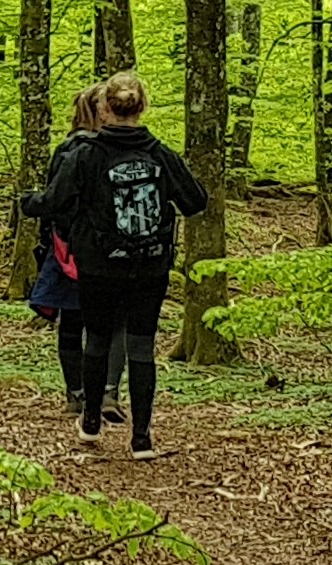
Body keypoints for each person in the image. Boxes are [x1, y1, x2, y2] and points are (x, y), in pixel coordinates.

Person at [37, 72, 210, 462]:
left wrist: (26, 202)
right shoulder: (160, 154)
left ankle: (91, 421)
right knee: (141, 347)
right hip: (150, 266)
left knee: (96, 340)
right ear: (142, 107)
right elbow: (196, 201)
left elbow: (54, 201)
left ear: (103, 108)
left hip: (99, 265)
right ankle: (142, 439)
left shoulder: (85, 154)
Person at [20, 83, 103, 404]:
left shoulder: (70, 149)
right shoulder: (86, 150)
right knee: (90, 325)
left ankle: (78, 392)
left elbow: (53, 201)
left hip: (69, 249)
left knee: (73, 324)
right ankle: (86, 393)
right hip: (87, 249)